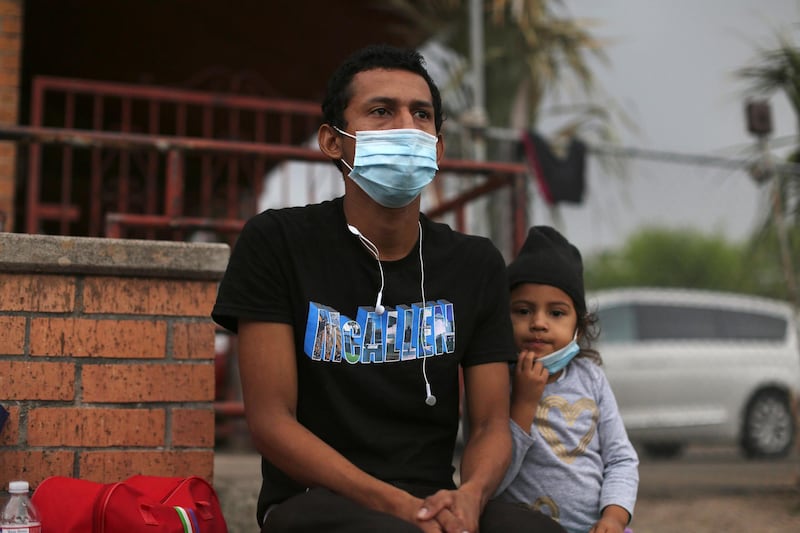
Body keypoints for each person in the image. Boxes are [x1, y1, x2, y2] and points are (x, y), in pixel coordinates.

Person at [211, 44, 566, 533]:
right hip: (315, 502)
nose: (406, 126)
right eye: (381, 111)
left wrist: (470, 496)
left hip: (432, 498)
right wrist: (400, 507)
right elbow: (272, 423)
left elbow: (489, 425)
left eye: (421, 114)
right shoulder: (277, 243)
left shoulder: (474, 262)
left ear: (439, 149)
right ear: (333, 142)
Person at [494, 226, 639, 533]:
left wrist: (614, 517)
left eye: (556, 313)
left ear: (580, 328)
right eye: (523, 310)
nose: (538, 323)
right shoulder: (494, 381)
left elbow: (621, 459)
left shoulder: (592, 379)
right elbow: (490, 482)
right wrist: (523, 402)